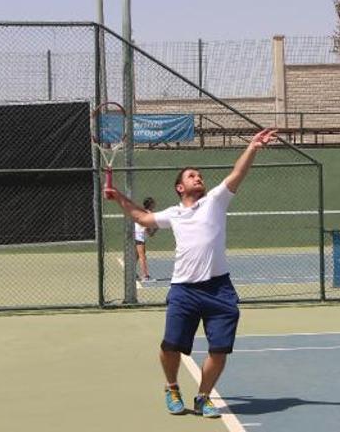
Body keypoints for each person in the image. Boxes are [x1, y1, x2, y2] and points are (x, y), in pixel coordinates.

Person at [104, 128, 278, 418]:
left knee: (219, 349)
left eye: (199, 175)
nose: (198, 177)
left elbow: (237, 173)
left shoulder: (216, 201)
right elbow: (142, 217)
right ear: (180, 188)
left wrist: (253, 147)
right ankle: (172, 388)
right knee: (170, 346)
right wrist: (119, 196)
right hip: (184, 289)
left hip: (220, 289)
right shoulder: (174, 213)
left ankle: (203, 396)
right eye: (191, 176)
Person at [134, 197, 157, 282]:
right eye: (153, 203)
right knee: (142, 256)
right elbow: (147, 226)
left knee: (136, 256)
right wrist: (152, 232)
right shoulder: (149, 214)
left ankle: (131, 273)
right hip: (139, 236)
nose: (155, 204)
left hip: (136, 235)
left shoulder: (142, 212)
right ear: (150, 204)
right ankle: (145, 277)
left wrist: (154, 229)